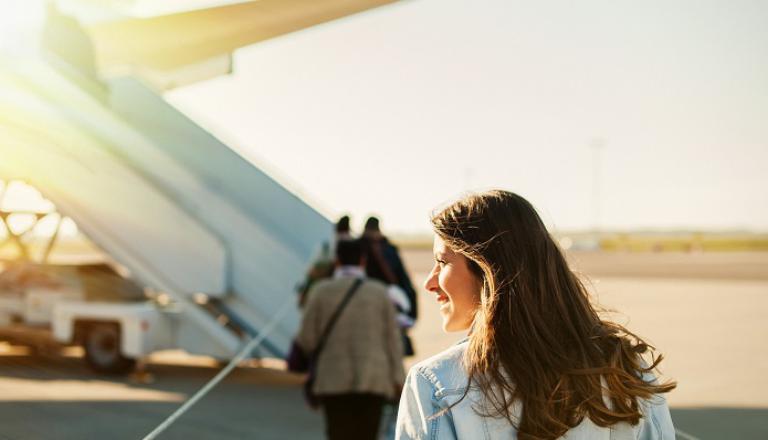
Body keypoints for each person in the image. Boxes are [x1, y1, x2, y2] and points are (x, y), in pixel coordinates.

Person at [396, 190, 676, 440]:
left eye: (442, 262)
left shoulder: (437, 384)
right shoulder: (626, 373)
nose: (429, 282)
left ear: (489, 268)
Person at [297, 239, 405, 440]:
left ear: (337, 261)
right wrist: (398, 379)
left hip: (333, 380)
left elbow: (307, 339)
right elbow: (393, 340)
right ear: (363, 261)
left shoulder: (320, 292)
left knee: (338, 433)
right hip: (374, 378)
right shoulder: (380, 292)